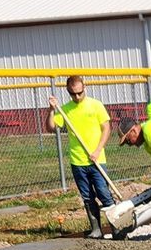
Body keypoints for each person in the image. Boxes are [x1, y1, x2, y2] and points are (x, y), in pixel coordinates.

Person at [49, 76, 116, 239]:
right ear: (68, 92)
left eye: (79, 93)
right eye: (73, 94)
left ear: (84, 88)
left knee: (104, 194)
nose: (77, 97)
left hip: (96, 159)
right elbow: (51, 127)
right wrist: (51, 110)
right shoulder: (65, 109)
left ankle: (116, 227)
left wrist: (98, 150)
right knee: (87, 197)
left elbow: (106, 128)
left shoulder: (95, 105)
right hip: (77, 162)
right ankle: (96, 230)